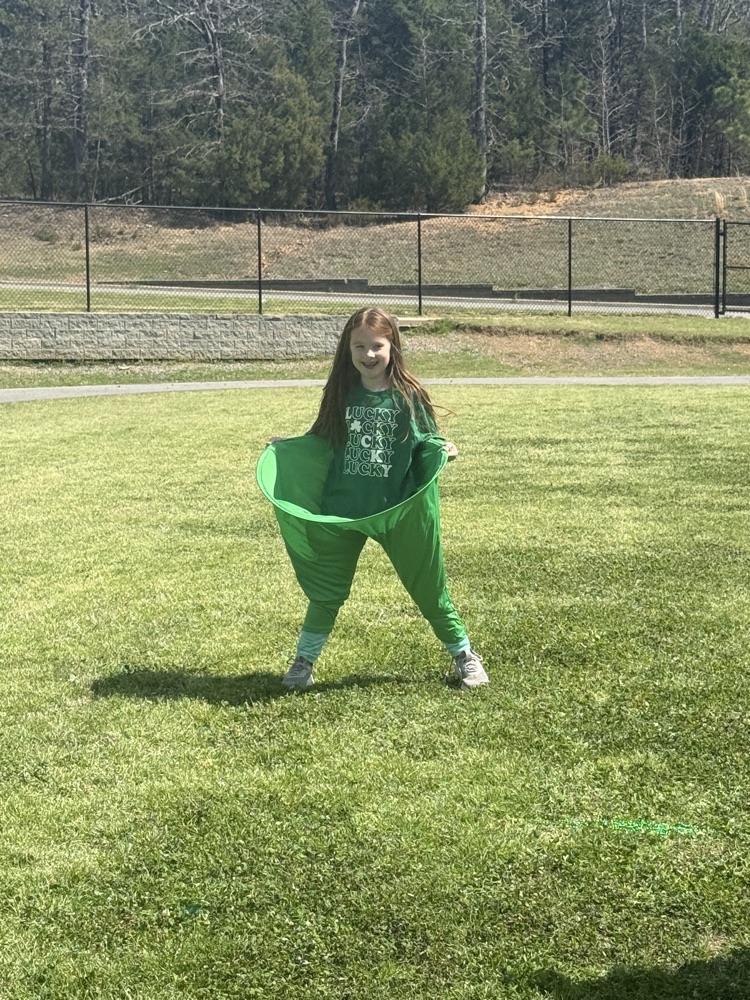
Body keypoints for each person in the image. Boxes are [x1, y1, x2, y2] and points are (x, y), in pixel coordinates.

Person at [263, 306, 488, 692]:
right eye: (359, 347)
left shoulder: (409, 395)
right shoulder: (340, 392)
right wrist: (291, 447)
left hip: (398, 508)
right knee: (327, 591)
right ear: (347, 350)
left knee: (428, 586)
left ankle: (464, 654)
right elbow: (324, 437)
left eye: (377, 346)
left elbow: (425, 440)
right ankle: (304, 662)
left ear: (392, 347)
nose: (369, 355)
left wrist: (442, 448)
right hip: (342, 510)